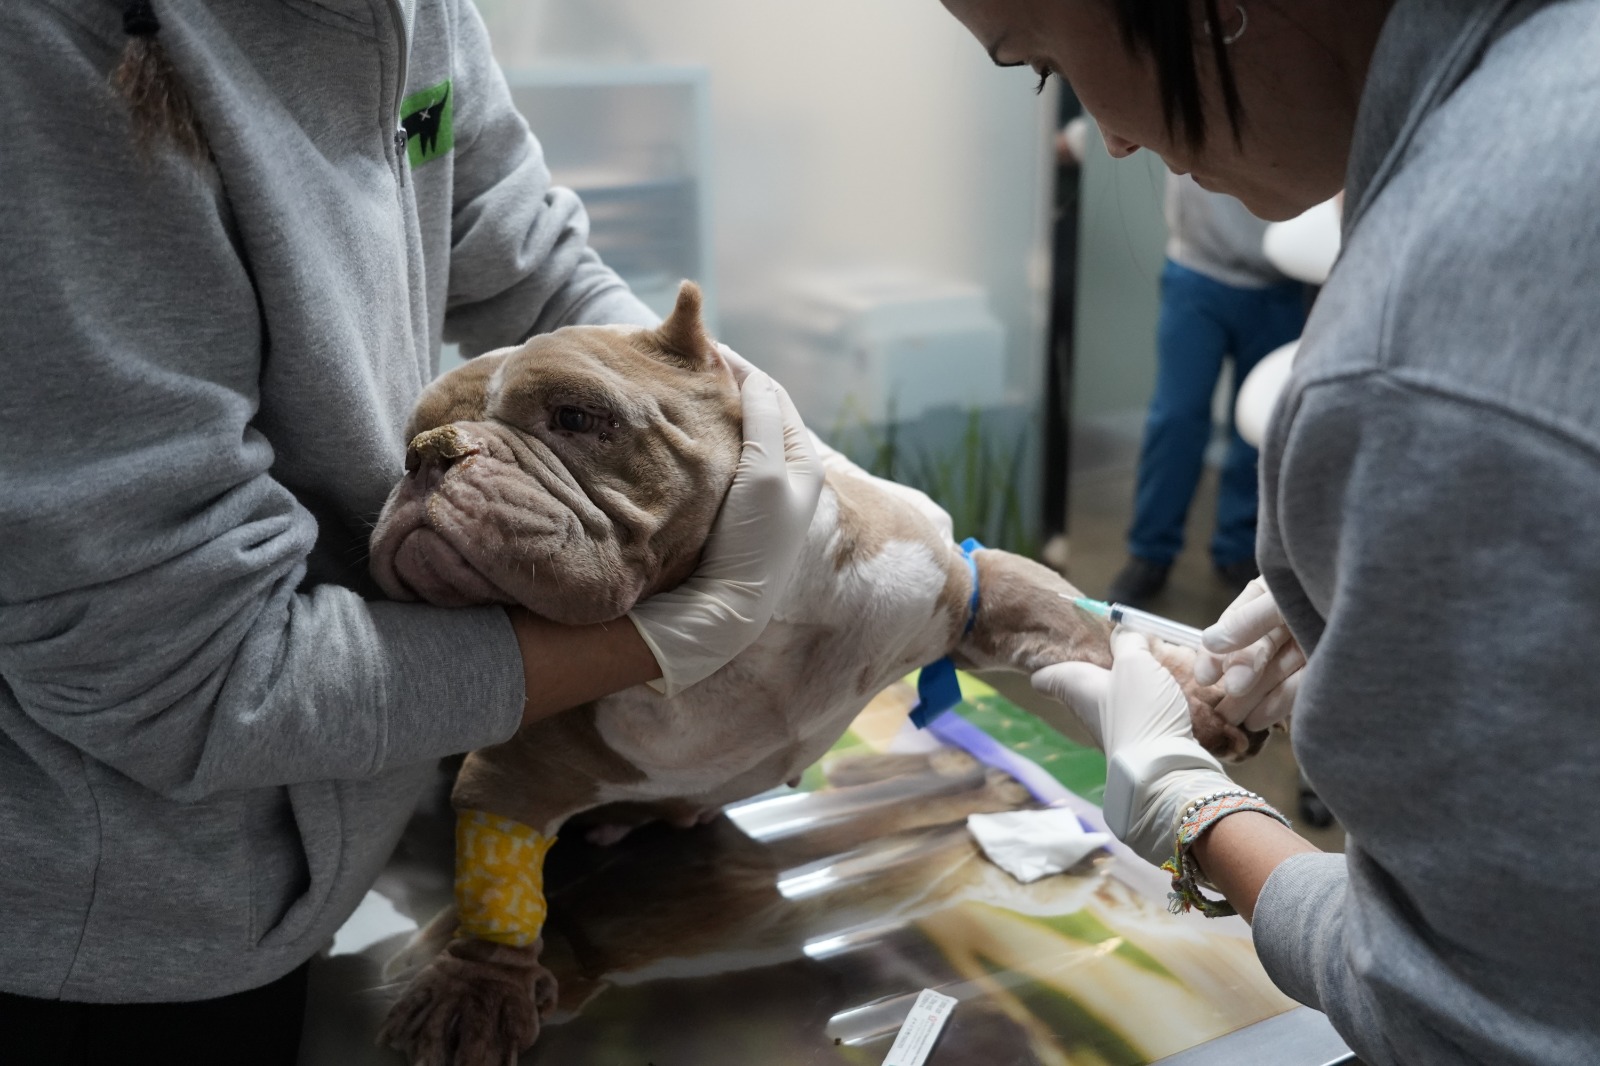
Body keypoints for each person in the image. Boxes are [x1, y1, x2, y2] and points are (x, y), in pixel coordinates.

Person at [0, 2, 821, 1063]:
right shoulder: (48, 53)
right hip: (116, 927)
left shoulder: (416, 13)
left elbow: (529, 264)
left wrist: (706, 427)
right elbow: (189, 676)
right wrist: (673, 640)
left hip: (336, 823)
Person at [938, 0, 1600, 1062]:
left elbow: (1462, 1017)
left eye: (1040, 59)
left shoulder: (1421, 335)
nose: (1107, 135)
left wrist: (1186, 805)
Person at [1106, 172, 1307, 607]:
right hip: (1198, 270)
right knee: (1176, 419)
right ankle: (1150, 552)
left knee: (1261, 430)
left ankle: (1238, 549)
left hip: (1282, 283)